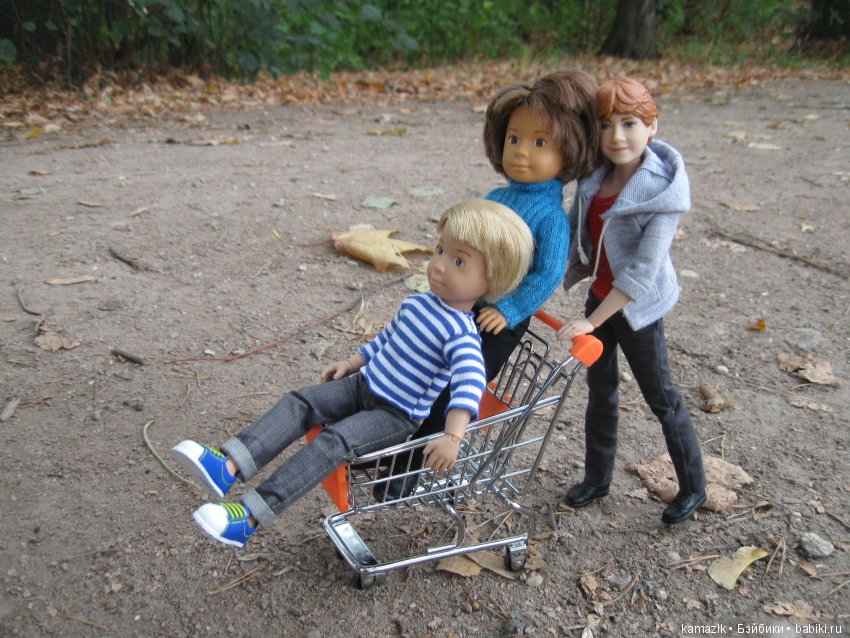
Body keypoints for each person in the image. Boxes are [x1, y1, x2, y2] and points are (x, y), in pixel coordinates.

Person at [171, 199, 535, 547]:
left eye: (459, 261)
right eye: (440, 250)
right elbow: (388, 341)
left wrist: (452, 438)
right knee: (301, 402)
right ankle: (229, 464)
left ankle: (248, 518)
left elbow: (469, 386)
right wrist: (353, 362)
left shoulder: (462, 335)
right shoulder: (417, 303)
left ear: (491, 281)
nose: (439, 265)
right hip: (365, 383)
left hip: (395, 414)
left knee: (334, 442)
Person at [378, 70, 601, 499]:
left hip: (496, 319)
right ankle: (386, 439)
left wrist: (511, 309)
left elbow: (546, 274)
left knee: (455, 389)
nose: (521, 152)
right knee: (423, 370)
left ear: (568, 151)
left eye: (540, 143)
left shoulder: (550, 217)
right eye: (514, 139)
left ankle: (408, 468)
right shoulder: (496, 198)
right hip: (460, 304)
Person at [556, 76, 707, 524]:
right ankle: (597, 478)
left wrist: (592, 321)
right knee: (600, 391)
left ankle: (694, 486)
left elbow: (643, 271)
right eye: (605, 125)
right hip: (600, 296)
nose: (616, 137)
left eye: (629, 124)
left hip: (637, 309)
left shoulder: (662, 193)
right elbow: (572, 233)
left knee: (661, 397)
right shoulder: (594, 178)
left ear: (652, 126)